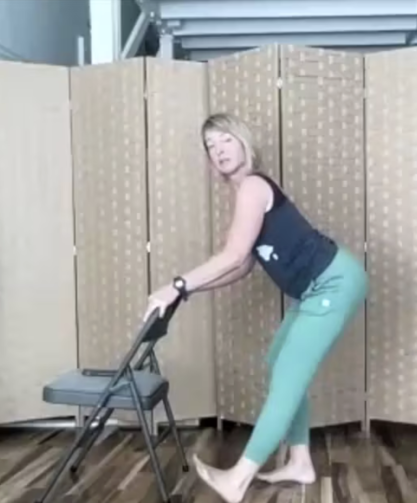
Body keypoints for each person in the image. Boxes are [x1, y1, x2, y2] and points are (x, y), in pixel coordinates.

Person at [142, 113, 368, 502]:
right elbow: (243, 265)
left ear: (243, 141)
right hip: (314, 290)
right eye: (211, 146)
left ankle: (238, 479)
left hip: (334, 282)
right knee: (277, 364)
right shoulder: (245, 194)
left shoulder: (253, 185)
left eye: (225, 140)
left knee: (287, 379)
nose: (219, 150)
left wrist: (176, 284)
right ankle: (299, 462)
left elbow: (232, 255)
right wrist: (187, 292)